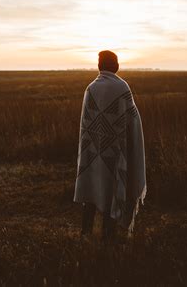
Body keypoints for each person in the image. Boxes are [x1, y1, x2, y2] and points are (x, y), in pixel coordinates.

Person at [73, 50, 147, 243]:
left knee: (90, 194)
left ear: (100, 66)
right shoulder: (122, 88)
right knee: (112, 189)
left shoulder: (90, 89)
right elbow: (133, 120)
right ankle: (108, 237)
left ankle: (85, 234)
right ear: (116, 65)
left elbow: (86, 127)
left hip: (92, 153)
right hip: (114, 153)